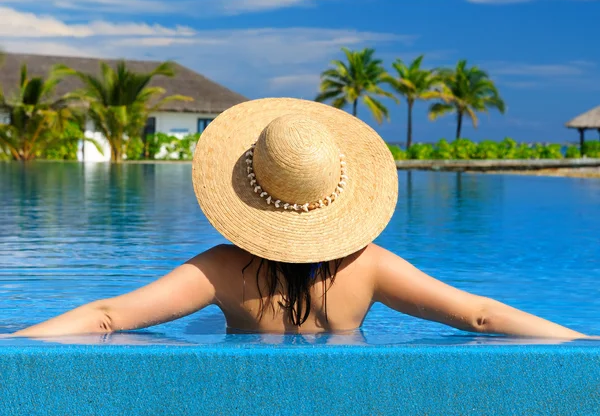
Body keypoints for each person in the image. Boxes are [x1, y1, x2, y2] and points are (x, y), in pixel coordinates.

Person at [10, 98, 595, 340]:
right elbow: (483, 317)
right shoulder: (369, 270)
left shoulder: (221, 271)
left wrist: (12, 342)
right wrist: (583, 341)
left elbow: (109, 318)